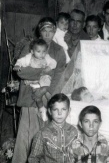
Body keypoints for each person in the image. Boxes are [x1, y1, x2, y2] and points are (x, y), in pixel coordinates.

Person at [12, 17, 66, 163]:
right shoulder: (31, 46)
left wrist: (45, 90)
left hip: (48, 95)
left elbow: (60, 74)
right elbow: (21, 71)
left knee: (45, 132)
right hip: (29, 93)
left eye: (51, 31)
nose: (48, 34)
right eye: (44, 31)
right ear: (39, 31)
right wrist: (42, 72)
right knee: (26, 131)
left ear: (55, 31)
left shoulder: (59, 50)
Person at [13, 39, 57, 122]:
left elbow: (54, 62)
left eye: (44, 51)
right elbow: (20, 61)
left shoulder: (47, 57)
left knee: (46, 92)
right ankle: (42, 109)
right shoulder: (29, 57)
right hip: (33, 81)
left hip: (44, 79)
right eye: (39, 51)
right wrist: (18, 65)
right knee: (37, 97)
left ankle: (50, 107)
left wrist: (49, 67)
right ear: (32, 51)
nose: (42, 54)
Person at [28, 93, 78, 163]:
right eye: (55, 109)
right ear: (49, 111)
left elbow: (77, 155)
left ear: (69, 111)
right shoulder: (42, 134)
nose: (59, 113)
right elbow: (33, 159)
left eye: (63, 109)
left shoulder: (73, 131)